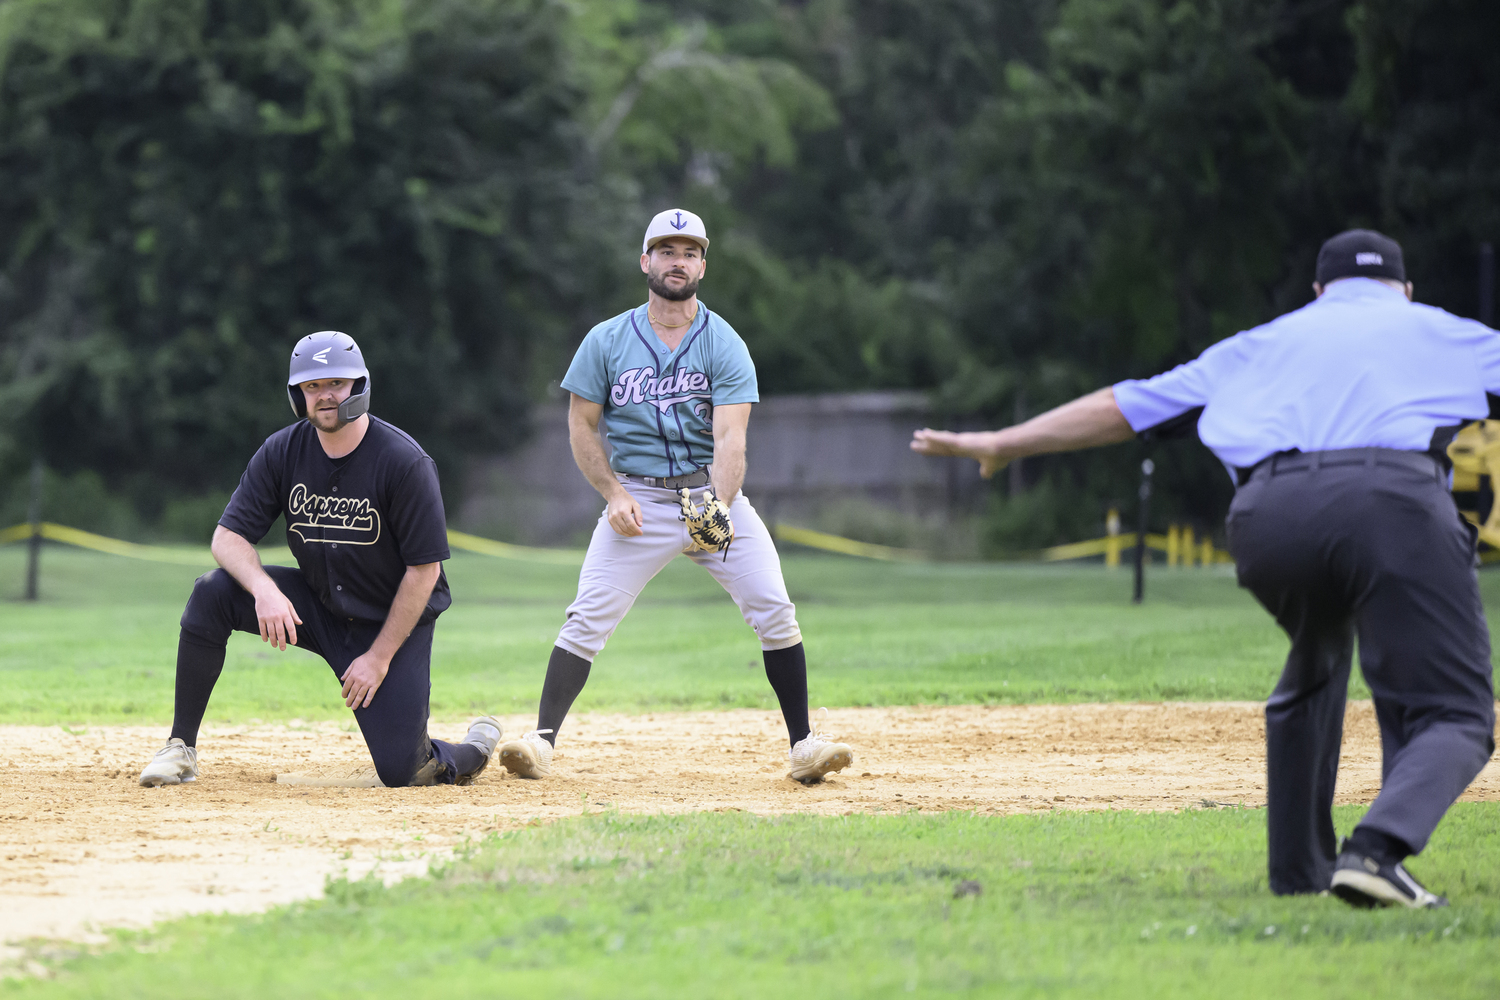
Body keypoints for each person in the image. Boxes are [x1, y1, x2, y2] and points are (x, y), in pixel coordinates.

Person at [911, 229, 1497, 909]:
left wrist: (1003, 442)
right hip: (1393, 502)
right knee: (1453, 709)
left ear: (1317, 293)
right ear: (1405, 290)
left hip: (1269, 516)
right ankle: (1375, 852)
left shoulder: (1261, 342)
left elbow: (1123, 405)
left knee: (1319, 653)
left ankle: (1302, 870)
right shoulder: (1444, 332)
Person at [495, 208, 854, 785]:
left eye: (689, 251)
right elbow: (581, 426)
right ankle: (540, 744)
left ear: (703, 266)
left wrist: (720, 500)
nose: (677, 260)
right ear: (646, 261)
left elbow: (731, 436)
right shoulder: (607, 340)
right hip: (638, 498)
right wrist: (612, 493)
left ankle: (803, 746)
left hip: (709, 492)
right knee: (587, 619)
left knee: (775, 609)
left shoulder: (724, 342)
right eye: (666, 250)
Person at [137, 331, 501, 788]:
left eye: (337, 382)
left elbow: (423, 571)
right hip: (318, 606)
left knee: (405, 771)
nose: (325, 395)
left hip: (387, 621)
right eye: (312, 386)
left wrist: (379, 657)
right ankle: (179, 748)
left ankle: (477, 746)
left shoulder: (403, 462)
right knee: (212, 592)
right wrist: (265, 590)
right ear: (298, 395)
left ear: (360, 387)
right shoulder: (283, 451)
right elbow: (227, 537)